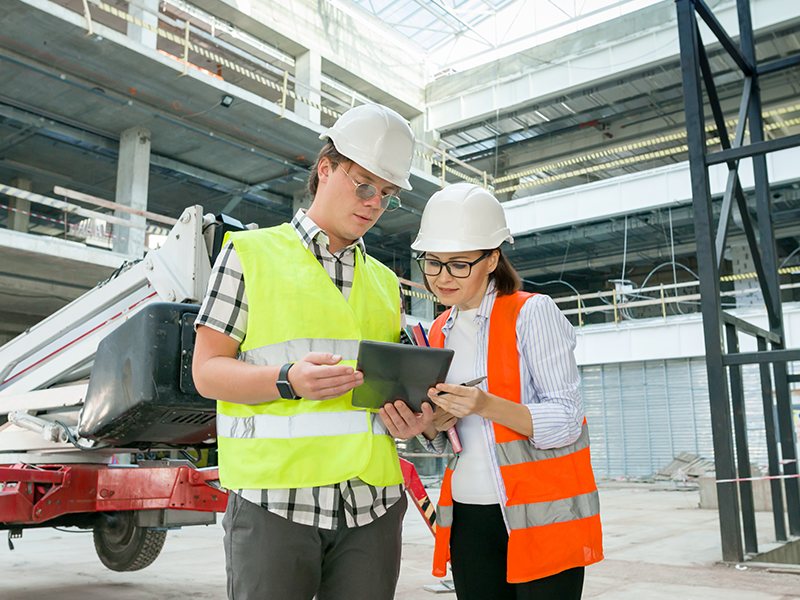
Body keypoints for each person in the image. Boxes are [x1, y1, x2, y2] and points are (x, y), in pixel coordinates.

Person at [192, 104, 432, 600]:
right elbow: (207, 371)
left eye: (386, 195)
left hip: (373, 502)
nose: (373, 203)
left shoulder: (388, 285)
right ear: (326, 167)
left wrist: (412, 418)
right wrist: (287, 379)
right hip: (275, 502)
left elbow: (383, 389)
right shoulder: (248, 254)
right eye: (364, 184)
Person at [381, 183, 603, 600]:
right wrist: (431, 427)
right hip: (467, 514)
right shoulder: (434, 331)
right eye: (432, 263)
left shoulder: (530, 313)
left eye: (459, 264)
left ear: (492, 259)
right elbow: (449, 440)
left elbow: (568, 419)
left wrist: (485, 404)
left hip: (541, 513)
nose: (442, 278)